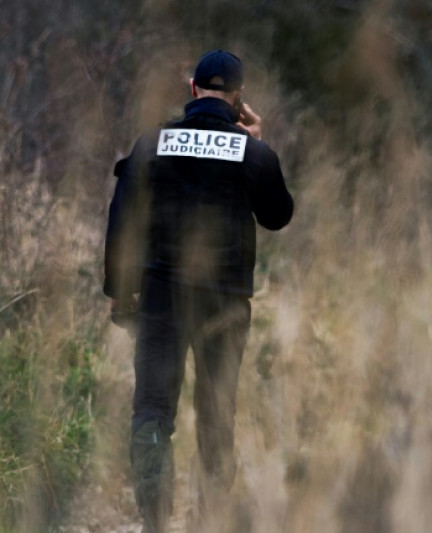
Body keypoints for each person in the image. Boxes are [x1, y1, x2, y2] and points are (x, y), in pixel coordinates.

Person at [103, 50, 294, 532]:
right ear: (239, 97)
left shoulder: (151, 144)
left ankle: (155, 521)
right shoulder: (252, 152)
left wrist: (120, 292)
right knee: (216, 414)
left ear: (192, 90)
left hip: (162, 297)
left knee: (152, 410)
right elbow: (277, 215)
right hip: (226, 301)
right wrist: (257, 141)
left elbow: (122, 221)